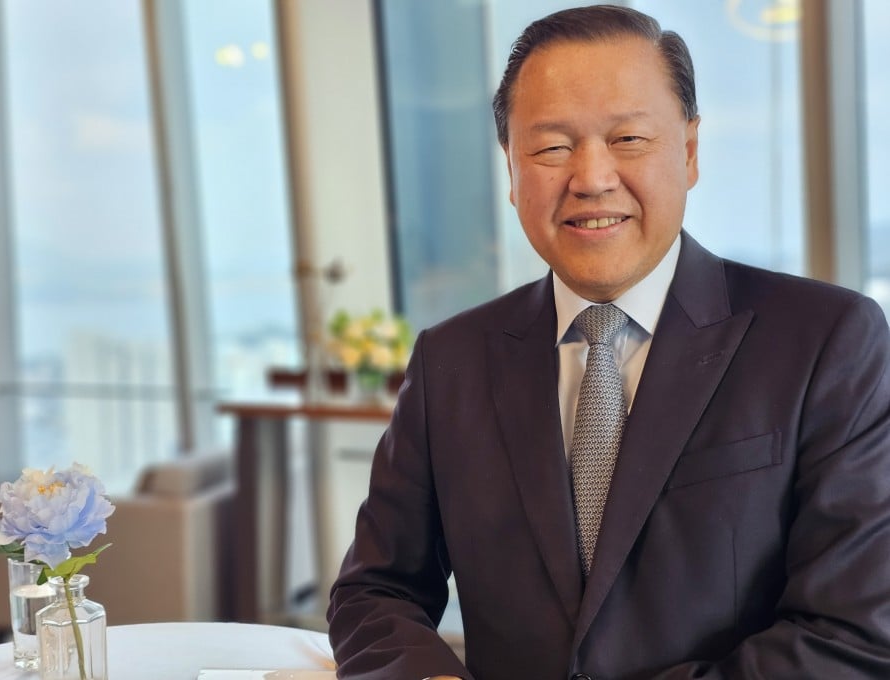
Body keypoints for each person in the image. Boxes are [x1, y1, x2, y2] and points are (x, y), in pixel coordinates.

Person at [326, 4, 890, 680]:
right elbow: (375, 588)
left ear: (687, 151)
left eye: (627, 139)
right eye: (551, 147)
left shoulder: (827, 340)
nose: (591, 178)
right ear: (511, 168)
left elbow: (854, 632)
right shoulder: (451, 360)